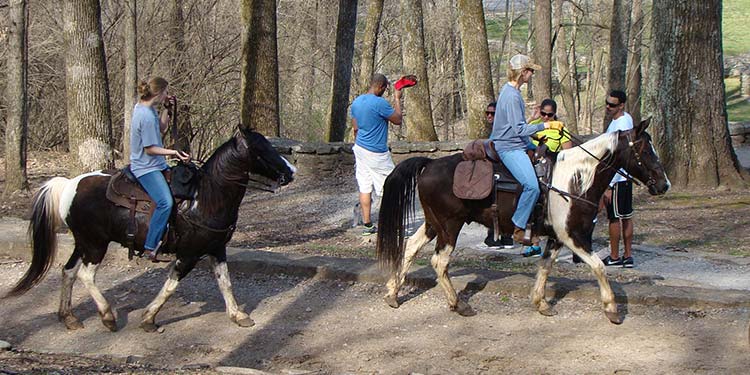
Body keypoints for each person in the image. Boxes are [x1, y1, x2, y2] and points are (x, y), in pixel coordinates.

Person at [492, 54, 564, 246]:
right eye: (530, 70)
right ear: (522, 72)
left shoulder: (511, 91)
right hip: (508, 147)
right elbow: (519, 129)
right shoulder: (512, 96)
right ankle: (518, 226)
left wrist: (534, 144)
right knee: (531, 185)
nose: (532, 74)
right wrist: (547, 127)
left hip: (518, 143)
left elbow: (519, 128)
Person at [130, 77, 191, 261]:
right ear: (158, 93)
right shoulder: (145, 115)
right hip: (145, 167)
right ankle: (150, 246)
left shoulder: (144, 108)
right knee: (165, 202)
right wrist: (174, 152)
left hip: (156, 164)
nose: (167, 94)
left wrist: (166, 110)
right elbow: (150, 148)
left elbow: (162, 129)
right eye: (165, 92)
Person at [351, 73, 403, 236]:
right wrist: (397, 98)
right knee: (392, 187)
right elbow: (398, 119)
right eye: (385, 88)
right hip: (377, 153)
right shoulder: (380, 103)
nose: (385, 91)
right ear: (380, 87)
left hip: (360, 149)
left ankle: (367, 225)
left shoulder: (357, 102)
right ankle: (390, 225)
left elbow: (355, 128)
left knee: (365, 187)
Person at [521, 98, 572, 257]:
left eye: (549, 115)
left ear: (554, 114)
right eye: (543, 113)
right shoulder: (535, 123)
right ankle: (533, 241)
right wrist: (532, 117)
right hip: (530, 164)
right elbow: (518, 131)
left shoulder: (560, 128)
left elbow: (568, 153)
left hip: (550, 168)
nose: (546, 118)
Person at [601, 90, 635, 268]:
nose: (608, 107)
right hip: (622, 178)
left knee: (616, 218)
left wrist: (609, 184)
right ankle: (626, 255)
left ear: (621, 105)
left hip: (618, 178)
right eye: (607, 103)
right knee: (625, 216)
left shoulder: (623, 123)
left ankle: (616, 256)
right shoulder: (619, 121)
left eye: (612, 104)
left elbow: (618, 154)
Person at [483, 102, 514, 249]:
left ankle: (502, 234)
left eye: (493, 113)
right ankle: (499, 234)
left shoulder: (501, 129)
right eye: (487, 113)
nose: (489, 116)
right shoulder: (496, 129)